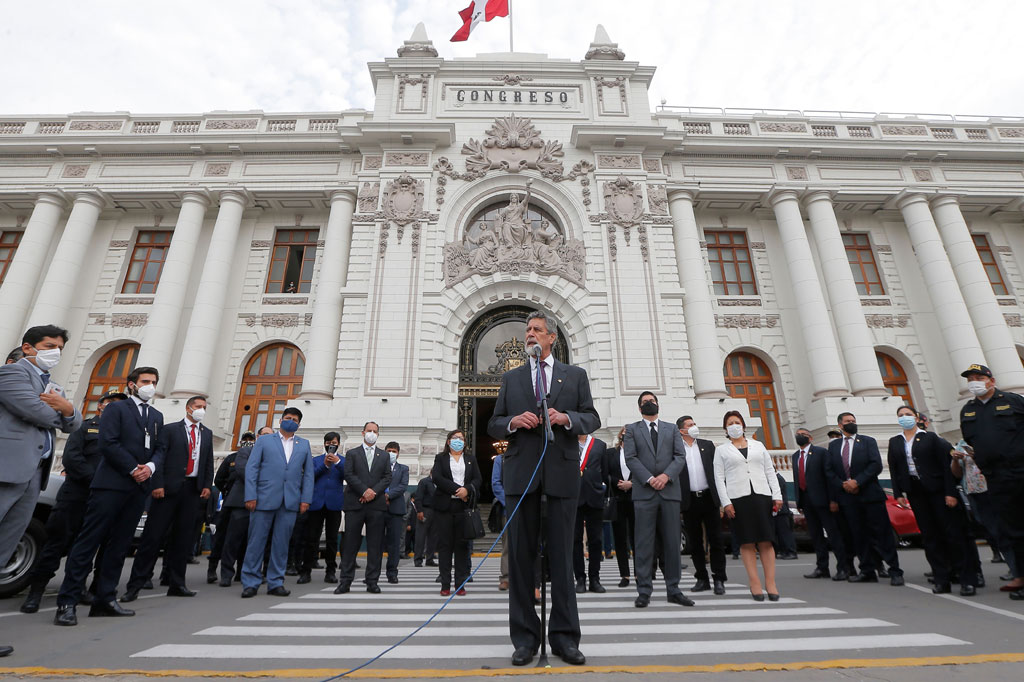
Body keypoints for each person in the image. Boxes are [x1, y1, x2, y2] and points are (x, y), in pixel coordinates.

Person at [487, 310, 600, 667]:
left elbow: (592, 418)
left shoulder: (575, 376)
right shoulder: (512, 378)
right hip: (522, 478)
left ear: (552, 337)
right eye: (527, 331)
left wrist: (566, 419)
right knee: (521, 560)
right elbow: (493, 423)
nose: (530, 335)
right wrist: (512, 423)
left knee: (563, 559)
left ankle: (565, 639)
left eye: (537, 330)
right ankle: (524, 639)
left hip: (563, 478)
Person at [55, 366, 162, 626]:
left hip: (137, 489)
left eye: (154, 382)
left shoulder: (156, 415)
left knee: (119, 545)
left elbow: (160, 448)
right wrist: (132, 468)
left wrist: (149, 468)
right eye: (145, 381)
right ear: (132, 384)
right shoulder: (116, 409)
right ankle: (67, 602)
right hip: (111, 485)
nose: (150, 385)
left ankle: (105, 598)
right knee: (89, 541)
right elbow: (108, 443)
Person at [21, 390, 124, 614]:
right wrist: (98, 480)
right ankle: (35, 592)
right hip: (76, 495)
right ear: (100, 406)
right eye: (110, 403)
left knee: (86, 547)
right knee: (56, 543)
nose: (115, 408)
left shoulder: (121, 435)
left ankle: (76, 589)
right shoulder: (84, 427)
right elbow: (72, 458)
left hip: (101, 500)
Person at [122, 396, 214, 602]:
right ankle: (136, 583)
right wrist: (158, 484)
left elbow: (208, 461)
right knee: (153, 537)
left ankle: (177, 583)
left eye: (204, 407)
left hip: (192, 490)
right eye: (198, 406)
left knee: (183, 539)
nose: (201, 410)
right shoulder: (170, 430)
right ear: (188, 408)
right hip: (167, 490)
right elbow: (159, 458)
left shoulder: (206, 433)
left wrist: (207, 485)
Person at [888, 405, 977, 595]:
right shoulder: (895, 441)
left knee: (953, 535)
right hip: (916, 492)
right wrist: (898, 494)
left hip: (939, 491)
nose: (905, 418)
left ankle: (966, 579)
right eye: (901, 415)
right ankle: (941, 579)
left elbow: (947, 466)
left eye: (908, 415)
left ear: (917, 417)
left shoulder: (932, 439)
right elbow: (894, 469)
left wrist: (950, 493)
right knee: (930, 537)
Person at [957, 363, 1024, 600]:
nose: (974, 381)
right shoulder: (968, 410)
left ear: (991, 380)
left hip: (1021, 471)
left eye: (978, 377)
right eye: (970, 379)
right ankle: (1021, 576)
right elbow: (971, 441)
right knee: (1012, 529)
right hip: (995, 477)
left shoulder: (1014, 401)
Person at [623, 392, 693, 609]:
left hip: (669, 491)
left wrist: (665, 476)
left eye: (652, 401)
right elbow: (630, 458)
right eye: (645, 402)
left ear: (658, 404)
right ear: (639, 407)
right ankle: (644, 590)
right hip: (644, 493)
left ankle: (674, 589)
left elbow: (679, 456)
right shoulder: (632, 429)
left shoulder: (671, 428)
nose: (649, 404)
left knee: (672, 543)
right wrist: (650, 478)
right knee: (644, 544)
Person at [240, 407, 314, 598]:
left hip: (290, 500)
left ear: (299, 424)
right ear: (281, 421)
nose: (291, 421)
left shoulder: (303, 444)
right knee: (256, 542)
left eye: (295, 419)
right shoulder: (265, 440)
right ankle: (250, 582)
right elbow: (252, 468)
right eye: (288, 418)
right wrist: (250, 495)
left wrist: (305, 499)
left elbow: (309, 476)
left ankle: (275, 582)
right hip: (263, 498)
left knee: (281, 544)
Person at [825, 411, 904, 586]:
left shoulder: (868, 441)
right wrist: (844, 484)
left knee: (882, 535)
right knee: (858, 535)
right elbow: (829, 470)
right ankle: (867, 570)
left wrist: (857, 482)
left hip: (870, 496)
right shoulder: (835, 446)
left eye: (853, 420)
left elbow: (875, 464)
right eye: (847, 421)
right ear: (840, 425)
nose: (851, 423)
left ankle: (894, 571)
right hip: (848, 498)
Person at [713, 410, 783, 601]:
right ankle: (755, 583)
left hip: (762, 496)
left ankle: (771, 582)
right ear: (725, 429)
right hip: (739, 498)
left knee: (766, 541)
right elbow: (719, 478)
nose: (734, 425)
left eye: (736, 422)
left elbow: (770, 471)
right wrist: (725, 502)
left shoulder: (758, 445)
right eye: (729, 423)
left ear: (743, 425)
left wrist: (777, 495)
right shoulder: (721, 450)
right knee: (747, 541)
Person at [951, 441, 1018, 587]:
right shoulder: (962, 444)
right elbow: (956, 473)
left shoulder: (990, 438)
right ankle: (1014, 569)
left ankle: (1017, 571)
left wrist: (977, 457)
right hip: (974, 493)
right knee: (995, 533)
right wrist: (956, 460)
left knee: (1007, 531)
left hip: (994, 490)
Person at [335, 422, 391, 594]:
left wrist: (373, 492)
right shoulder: (352, 453)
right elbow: (348, 474)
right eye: (369, 431)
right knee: (350, 544)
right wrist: (364, 490)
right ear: (363, 432)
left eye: (375, 431)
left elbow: (387, 477)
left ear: (378, 434)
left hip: (376, 505)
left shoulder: (384, 456)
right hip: (355, 503)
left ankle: (372, 581)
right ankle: (345, 581)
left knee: (375, 545)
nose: (372, 433)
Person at [676, 416, 726, 595]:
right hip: (689, 500)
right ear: (681, 430)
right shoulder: (676, 449)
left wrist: (722, 501)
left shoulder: (708, 445)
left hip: (709, 498)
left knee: (716, 540)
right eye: (690, 425)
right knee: (695, 542)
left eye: (694, 424)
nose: (694, 427)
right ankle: (702, 578)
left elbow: (718, 473)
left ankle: (719, 578)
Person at [219, 426, 273, 585]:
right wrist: (265, 481)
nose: (266, 438)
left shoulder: (274, 454)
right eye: (264, 435)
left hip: (263, 502)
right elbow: (244, 470)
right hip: (241, 501)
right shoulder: (246, 451)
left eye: (270, 436)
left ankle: (248, 572)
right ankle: (226, 574)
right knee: (233, 539)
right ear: (258, 436)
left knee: (255, 541)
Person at [793, 427, 848, 581]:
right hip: (806, 501)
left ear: (810, 438)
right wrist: (799, 500)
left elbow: (829, 477)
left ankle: (843, 568)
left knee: (833, 535)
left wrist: (833, 499)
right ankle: (822, 567)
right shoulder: (795, 456)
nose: (800, 437)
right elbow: (797, 479)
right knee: (816, 536)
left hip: (824, 501)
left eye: (803, 435)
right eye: (797, 435)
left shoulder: (821, 452)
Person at [431, 429, 482, 596]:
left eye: (461, 438)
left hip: (463, 508)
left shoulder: (470, 459)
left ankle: (460, 584)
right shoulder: (440, 458)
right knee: (445, 546)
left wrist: (467, 490)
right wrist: (456, 490)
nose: (458, 441)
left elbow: (477, 479)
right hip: (444, 508)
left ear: (465, 443)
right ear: (448, 441)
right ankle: (445, 584)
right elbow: (437, 478)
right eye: (455, 438)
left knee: (462, 547)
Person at [207, 431, 255, 584]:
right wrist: (227, 493)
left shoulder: (264, 456)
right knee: (226, 539)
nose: (248, 442)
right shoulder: (234, 458)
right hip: (234, 502)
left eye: (251, 440)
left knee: (247, 541)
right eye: (245, 440)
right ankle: (220, 571)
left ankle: (241, 572)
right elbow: (220, 479)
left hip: (256, 504)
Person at [299, 432, 345, 584]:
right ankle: (306, 571)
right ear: (324, 444)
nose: (331, 445)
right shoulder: (315, 460)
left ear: (338, 443)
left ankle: (330, 571)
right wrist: (325, 464)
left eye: (334, 442)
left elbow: (348, 475)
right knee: (311, 539)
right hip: (316, 503)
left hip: (334, 504)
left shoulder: (343, 460)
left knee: (332, 540)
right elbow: (310, 477)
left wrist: (337, 462)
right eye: (328, 442)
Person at [573, 432, 609, 594]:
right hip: (573, 498)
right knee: (575, 540)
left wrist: (602, 491)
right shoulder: (567, 443)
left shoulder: (599, 445)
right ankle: (580, 578)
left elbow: (604, 471)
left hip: (594, 497)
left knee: (596, 540)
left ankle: (595, 578)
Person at [606, 426, 635, 588]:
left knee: (637, 537)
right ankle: (625, 574)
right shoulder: (611, 453)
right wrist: (618, 483)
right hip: (617, 498)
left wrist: (632, 484)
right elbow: (606, 472)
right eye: (624, 435)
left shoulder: (639, 454)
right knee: (620, 538)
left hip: (636, 497)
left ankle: (640, 572)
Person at [383, 441, 409, 584]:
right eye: (388, 450)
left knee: (394, 543)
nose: (391, 453)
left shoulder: (403, 469)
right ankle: (372, 573)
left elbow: (403, 486)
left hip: (396, 509)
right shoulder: (378, 467)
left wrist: (388, 495)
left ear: (398, 453)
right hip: (379, 508)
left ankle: (392, 573)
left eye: (393, 451)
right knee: (376, 542)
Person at [411, 471, 437, 567]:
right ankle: (418, 559)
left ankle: (429, 559)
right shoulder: (424, 482)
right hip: (425, 510)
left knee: (433, 537)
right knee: (420, 536)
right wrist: (419, 511)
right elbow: (418, 497)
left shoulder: (439, 483)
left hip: (436, 511)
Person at [492, 453, 509, 590]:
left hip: (529, 507)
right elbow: (496, 483)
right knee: (507, 546)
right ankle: (506, 577)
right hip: (508, 509)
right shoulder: (500, 459)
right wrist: (509, 503)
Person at [773, 472, 798, 560]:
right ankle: (784, 551)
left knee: (785, 533)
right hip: (778, 511)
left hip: (781, 511)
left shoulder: (778, 479)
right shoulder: (778, 478)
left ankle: (791, 552)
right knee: (780, 534)